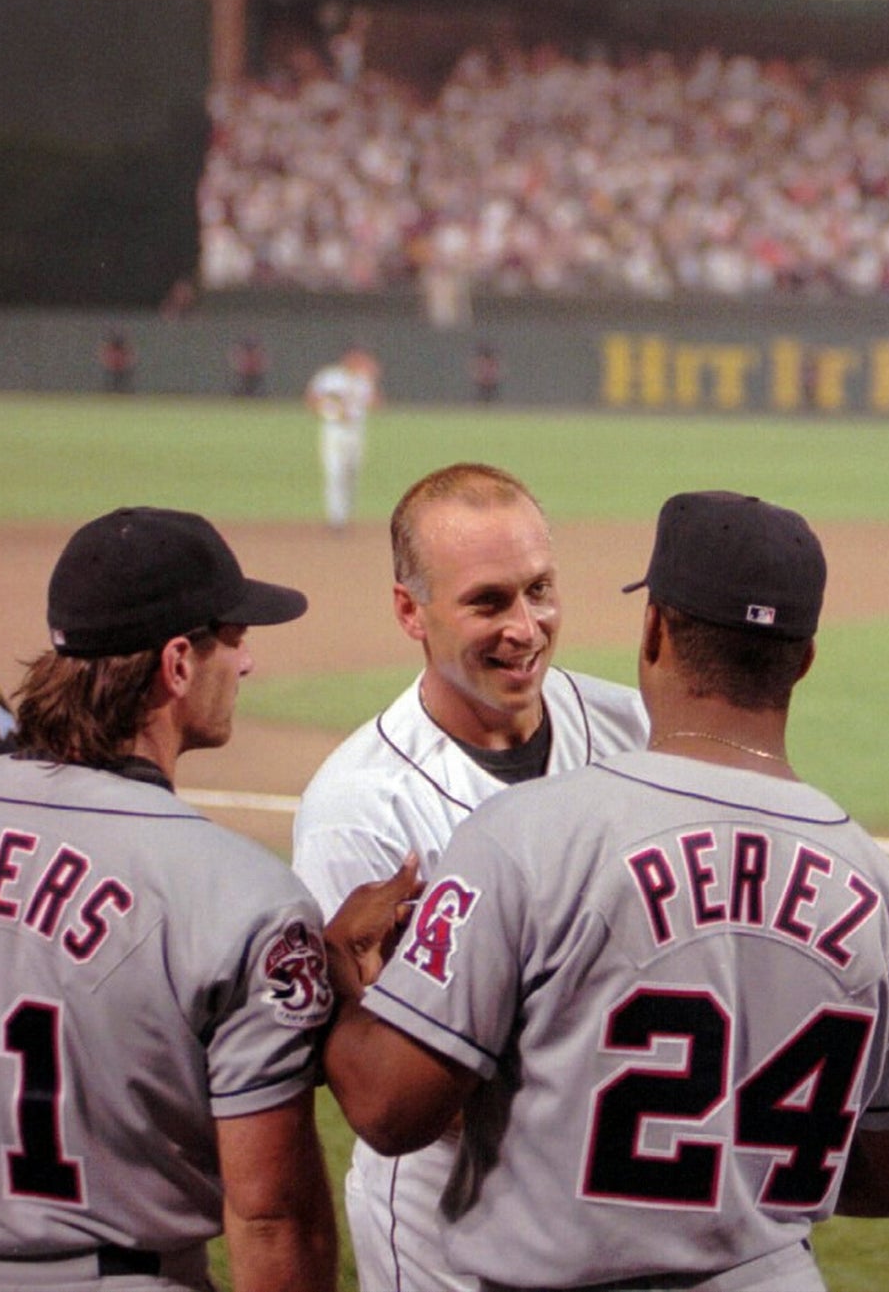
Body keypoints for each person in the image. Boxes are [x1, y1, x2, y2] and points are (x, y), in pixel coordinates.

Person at [323, 490, 889, 1292]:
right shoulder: (882, 891)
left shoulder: (524, 836)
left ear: (653, 629)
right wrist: (730, 1172)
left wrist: (346, 974)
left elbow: (386, 1111)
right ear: (802, 658)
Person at [292, 462, 649, 1292]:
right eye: (488, 601)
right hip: (447, 1224)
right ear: (408, 610)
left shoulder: (632, 728)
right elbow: (387, 1092)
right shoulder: (360, 807)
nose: (525, 627)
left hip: (613, 1211)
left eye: (540, 589)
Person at [0, 508, 342, 1290]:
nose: (246, 663)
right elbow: (271, 1219)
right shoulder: (242, 896)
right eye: (234, 636)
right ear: (178, 662)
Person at [304, 346, 381, 530]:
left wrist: (372, 378)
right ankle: (336, 519)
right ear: (346, 357)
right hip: (334, 430)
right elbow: (311, 399)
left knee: (351, 474)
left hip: (355, 432)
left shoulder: (363, 380)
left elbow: (376, 403)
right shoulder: (330, 376)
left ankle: (346, 514)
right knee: (334, 473)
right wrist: (331, 411)